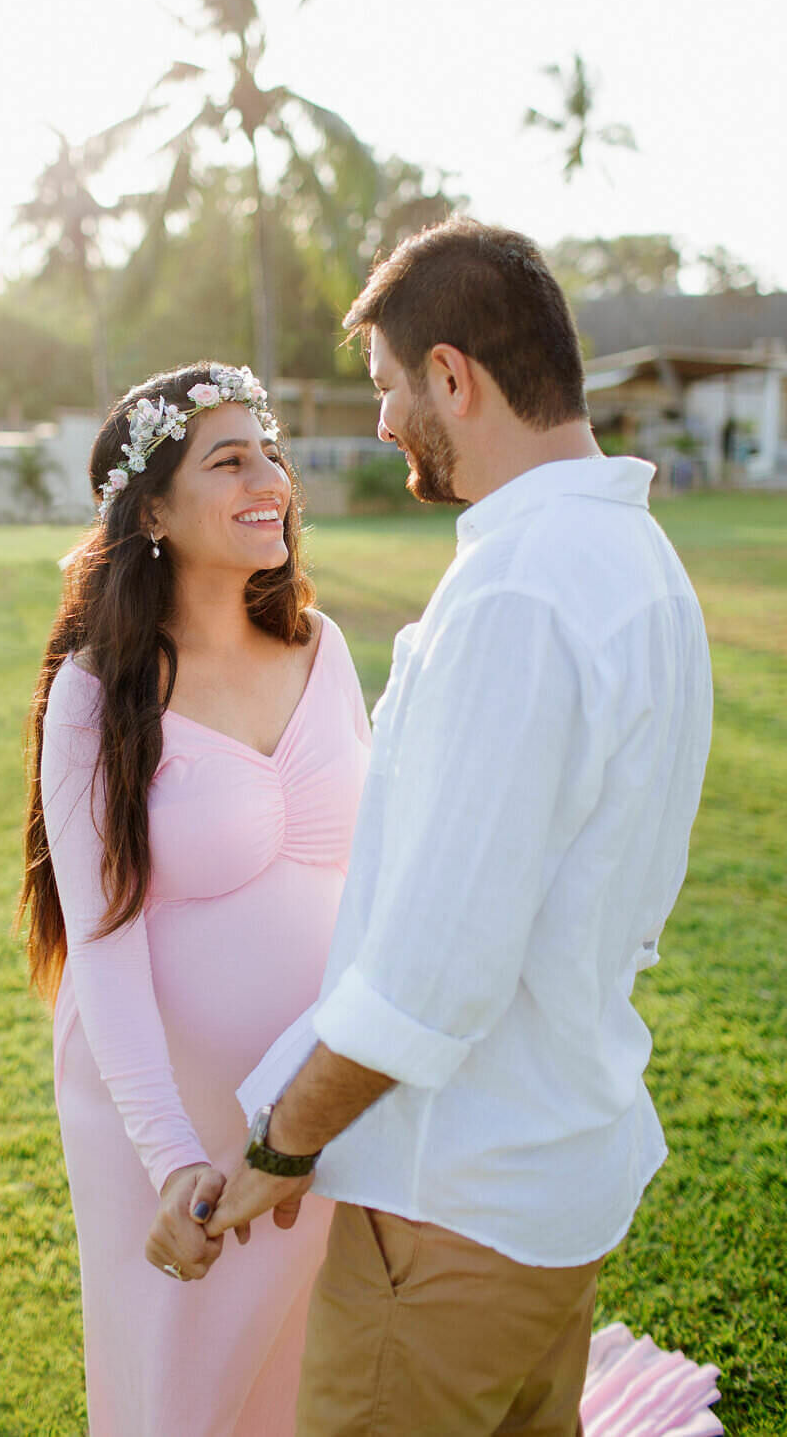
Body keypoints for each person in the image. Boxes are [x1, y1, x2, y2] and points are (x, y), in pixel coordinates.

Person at [205, 220, 716, 1436]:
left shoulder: (519, 592)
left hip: (453, 1218)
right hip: (550, 1192)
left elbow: (435, 979)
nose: (381, 425)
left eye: (388, 388)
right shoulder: (635, 560)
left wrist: (272, 1154)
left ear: (452, 376)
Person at [16, 363, 371, 1436]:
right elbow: (104, 949)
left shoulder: (323, 647)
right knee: (183, 1394)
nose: (269, 477)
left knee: (317, 1377)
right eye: (229, 460)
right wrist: (172, 1157)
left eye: (269, 450)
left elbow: (368, 876)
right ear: (155, 510)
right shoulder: (96, 692)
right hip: (166, 1113)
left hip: (317, 1094)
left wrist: (336, 1084)